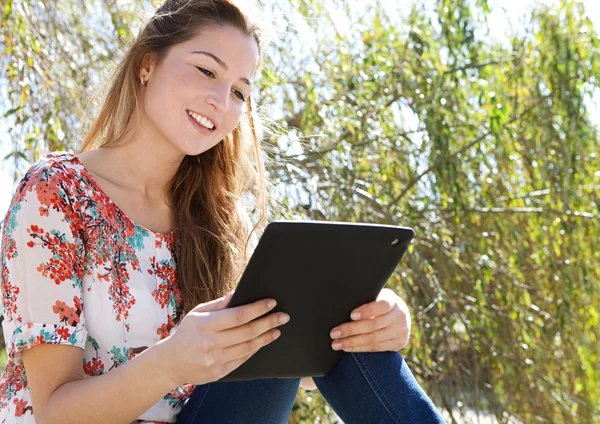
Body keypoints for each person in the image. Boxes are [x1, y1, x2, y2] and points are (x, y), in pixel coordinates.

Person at [0, 0, 446, 422]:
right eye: (205, 70)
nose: (222, 100)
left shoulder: (217, 219)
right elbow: (53, 412)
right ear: (147, 63)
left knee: (337, 324)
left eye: (239, 91)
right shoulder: (57, 192)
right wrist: (170, 363)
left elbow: (287, 357)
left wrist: (372, 323)